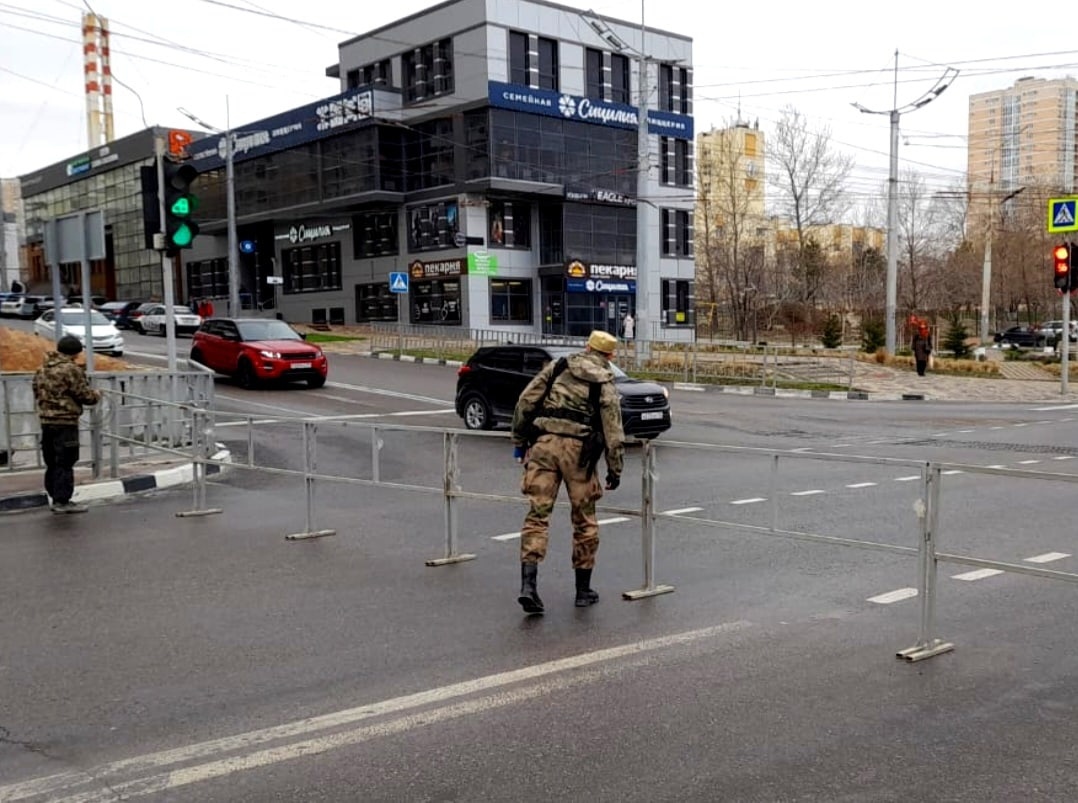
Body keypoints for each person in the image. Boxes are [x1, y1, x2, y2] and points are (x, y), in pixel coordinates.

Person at [510, 330, 625, 614]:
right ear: (610, 356)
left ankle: (528, 587)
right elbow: (613, 430)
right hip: (579, 454)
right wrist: (615, 468)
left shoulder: (559, 366)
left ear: (586, 346)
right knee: (584, 521)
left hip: (544, 446)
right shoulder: (605, 380)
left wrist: (519, 441)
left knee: (537, 516)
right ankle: (583, 591)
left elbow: (526, 401)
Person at [32, 335, 101, 513]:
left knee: (52, 461)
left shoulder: (42, 369)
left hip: (46, 420)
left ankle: (54, 496)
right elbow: (84, 396)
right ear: (76, 352)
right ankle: (62, 501)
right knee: (66, 461)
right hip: (66, 421)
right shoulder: (71, 369)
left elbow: (36, 391)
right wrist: (96, 395)